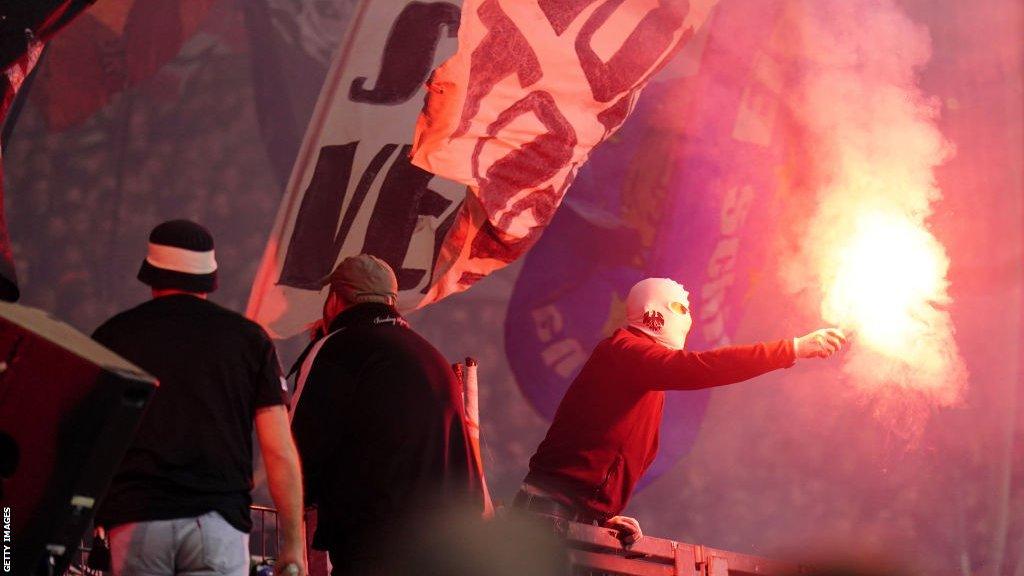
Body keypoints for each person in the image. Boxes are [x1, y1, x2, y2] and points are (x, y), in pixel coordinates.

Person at [516, 277, 846, 544]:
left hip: (566, 515)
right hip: (549, 516)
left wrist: (599, 515)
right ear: (651, 312)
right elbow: (701, 367)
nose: (687, 316)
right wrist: (791, 349)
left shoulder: (641, 369)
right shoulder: (625, 351)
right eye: (678, 307)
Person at [92, 220, 306, 576]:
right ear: (210, 277)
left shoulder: (115, 336)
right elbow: (279, 450)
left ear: (151, 274)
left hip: (137, 519)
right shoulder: (249, 340)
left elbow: (89, 437)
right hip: (218, 522)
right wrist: (293, 544)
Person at [290, 254, 482, 576]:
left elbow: (295, 450)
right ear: (391, 301)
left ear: (335, 300)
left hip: (375, 549)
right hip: (447, 550)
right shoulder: (431, 355)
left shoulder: (337, 347)